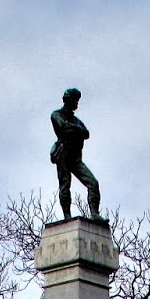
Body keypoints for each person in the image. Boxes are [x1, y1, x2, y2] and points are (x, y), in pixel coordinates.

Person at [50, 87, 101, 220]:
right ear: (68, 100)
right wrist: (76, 130)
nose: (77, 103)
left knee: (93, 183)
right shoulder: (56, 115)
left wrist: (75, 129)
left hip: (76, 158)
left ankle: (95, 213)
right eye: (75, 100)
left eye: (78, 101)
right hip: (63, 154)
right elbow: (63, 128)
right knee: (65, 186)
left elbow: (86, 133)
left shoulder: (76, 120)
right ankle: (67, 215)